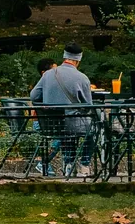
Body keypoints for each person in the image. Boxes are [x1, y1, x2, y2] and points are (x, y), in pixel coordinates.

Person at [29, 46, 95, 176]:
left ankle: (69, 164)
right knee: (95, 129)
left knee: (66, 130)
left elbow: (33, 96)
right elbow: (89, 107)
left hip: (49, 124)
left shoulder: (47, 74)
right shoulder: (82, 78)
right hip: (72, 125)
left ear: (64, 57)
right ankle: (84, 165)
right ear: (78, 60)